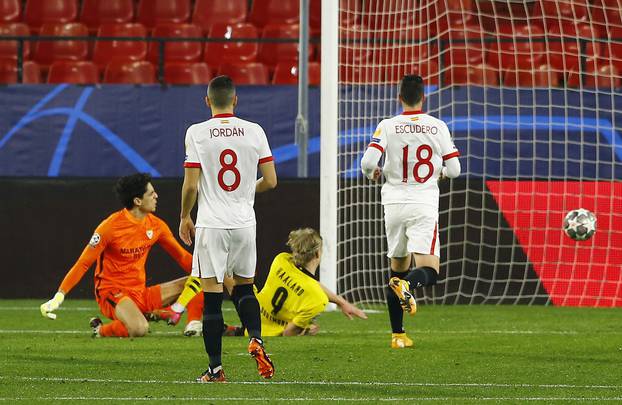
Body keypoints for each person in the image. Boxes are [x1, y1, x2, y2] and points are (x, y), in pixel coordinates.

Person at [179, 75, 277, 383]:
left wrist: (184, 216)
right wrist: (247, 192)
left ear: (207, 101)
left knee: (211, 297)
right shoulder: (255, 131)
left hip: (212, 223)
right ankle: (257, 339)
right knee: (246, 287)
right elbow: (271, 181)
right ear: (235, 100)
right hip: (245, 223)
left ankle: (216, 369)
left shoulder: (196, 133)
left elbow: (191, 185)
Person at [360, 75, 461, 349]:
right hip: (422, 203)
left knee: (397, 269)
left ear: (399, 97)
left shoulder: (388, 125)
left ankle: (398, 335)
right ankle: (408, 288)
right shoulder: (437, 126)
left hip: (392, 204)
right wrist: (438, 172)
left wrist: (373, 172)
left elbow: (368, 161)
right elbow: (454, 170)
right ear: (423, 97)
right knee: (428, 271)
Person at [39, 173, 204, 338]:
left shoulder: (156, 226)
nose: (156, 196)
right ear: (137, 201)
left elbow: (182, 257)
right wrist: (59, 296)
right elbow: (83, 263)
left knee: (201, 278)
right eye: (151, 193)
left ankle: (193, 325)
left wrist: (213, 272)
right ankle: (101, 330)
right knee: (139, 329)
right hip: (112, 292)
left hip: (140, 293)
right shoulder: (110, 227)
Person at [170, 228, 368, 337]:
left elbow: (307, 283)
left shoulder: (281, 260)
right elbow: (288, 333)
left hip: (250, 310)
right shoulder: (316, 300)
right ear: (318, 253)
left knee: (227, 274)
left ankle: (209, 319)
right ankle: (229, 329)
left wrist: (341, 302)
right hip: (266, 331)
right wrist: (305, 332)